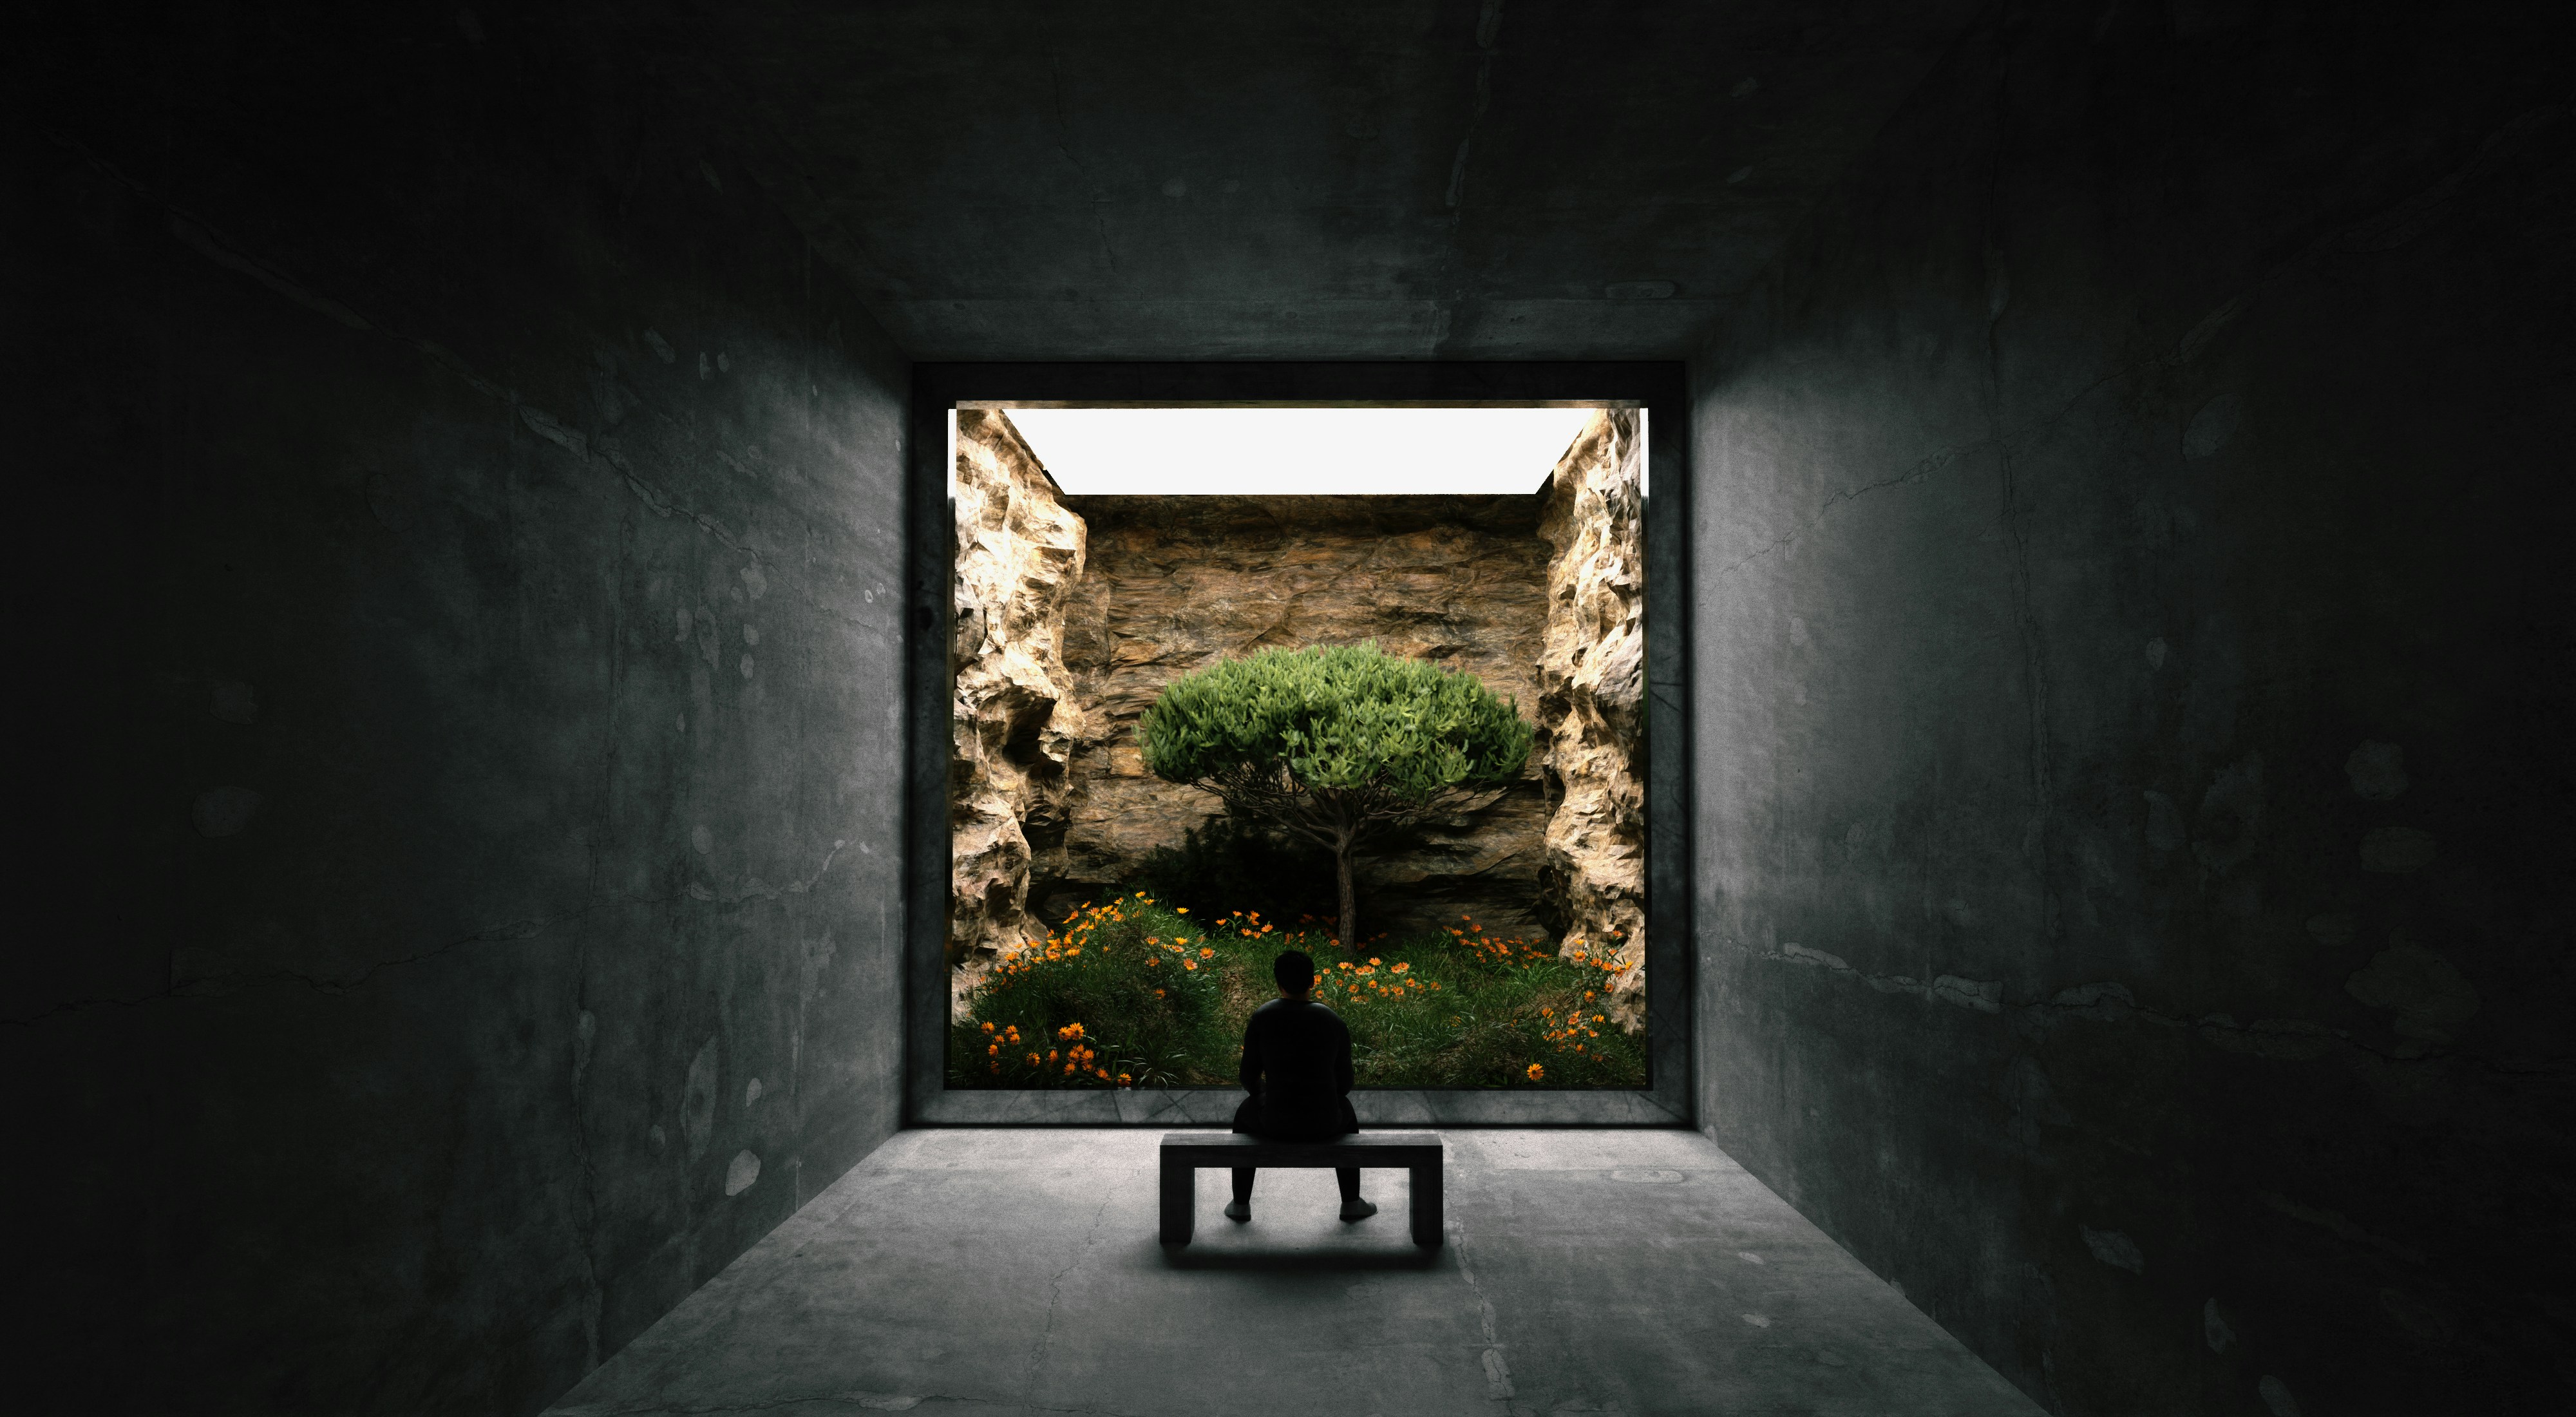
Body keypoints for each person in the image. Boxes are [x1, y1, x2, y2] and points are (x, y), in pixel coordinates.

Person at [1227, 949, 1377, 1223]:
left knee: (1243, 1113)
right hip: (1324, 1122)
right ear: (1313, 981)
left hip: (1275, 1121)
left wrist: (1267, 1096)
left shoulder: (1263, 1017)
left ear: (1278, 983)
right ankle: (1351, 1202)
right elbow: (1345, 1084)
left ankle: (1240, 1204)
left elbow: (1248, 1077)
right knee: (1347, 1109)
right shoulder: (1331, 1020)